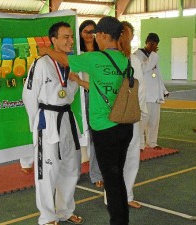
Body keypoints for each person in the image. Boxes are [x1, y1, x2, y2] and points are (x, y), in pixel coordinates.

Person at [39, 16, 134, 225]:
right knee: (117, 177)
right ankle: (121, 219)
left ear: (103, 35)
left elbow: (64, 60)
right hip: (125, 127)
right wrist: (80, 81)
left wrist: (46, 51)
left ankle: (119, 221)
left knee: (112, 181)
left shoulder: (96, 59)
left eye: (95, 34)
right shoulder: (124, 59)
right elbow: (105, 90)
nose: (94, 38)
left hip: (105, 129)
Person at [22, 22, 83, 225]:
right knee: (47, 171)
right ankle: (47, 216)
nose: (70, 40)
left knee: (71, 167)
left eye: (71, 36)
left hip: (67, 117)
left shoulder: (75, 63)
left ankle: (65, 210)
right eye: (65, 37)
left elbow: (72, 90)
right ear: (53, 40)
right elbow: (29, 96)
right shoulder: (40, 64)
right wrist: (36, 124)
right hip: (47, 119)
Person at [120, 21, 147, 209]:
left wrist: (141, 112)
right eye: (122, 34)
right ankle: (113, 197)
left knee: (131, 156)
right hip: (114, 115)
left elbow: (141, 89)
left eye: (128, 34)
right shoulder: (109, 58)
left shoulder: (135, 60)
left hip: (133, 114)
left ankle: (127, 195)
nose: (125, 37)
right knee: (116, 159)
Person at [79, 20, 103, 188]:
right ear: (80, 33)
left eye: (92, 31)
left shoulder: (101, 53)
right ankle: (72, 173)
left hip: (96, 97)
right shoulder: (75, 53)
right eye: (85, 31)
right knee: (76, 135)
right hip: (77, 98)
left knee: (96, 136)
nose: (89, 34)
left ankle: (96, 174)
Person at [134, 32, 169, 150]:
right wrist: (153, 56)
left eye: (155, 44)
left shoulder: (153, 56)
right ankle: (140, 145)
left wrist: (164, 90)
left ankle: (152, 142)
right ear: (146, 42)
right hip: (145, 94)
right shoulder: (137, 55)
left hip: (155, 95)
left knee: (154, 121)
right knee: (143, 121)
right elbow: (144, 69)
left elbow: (158, 75)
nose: (153, 46)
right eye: (151, 43)